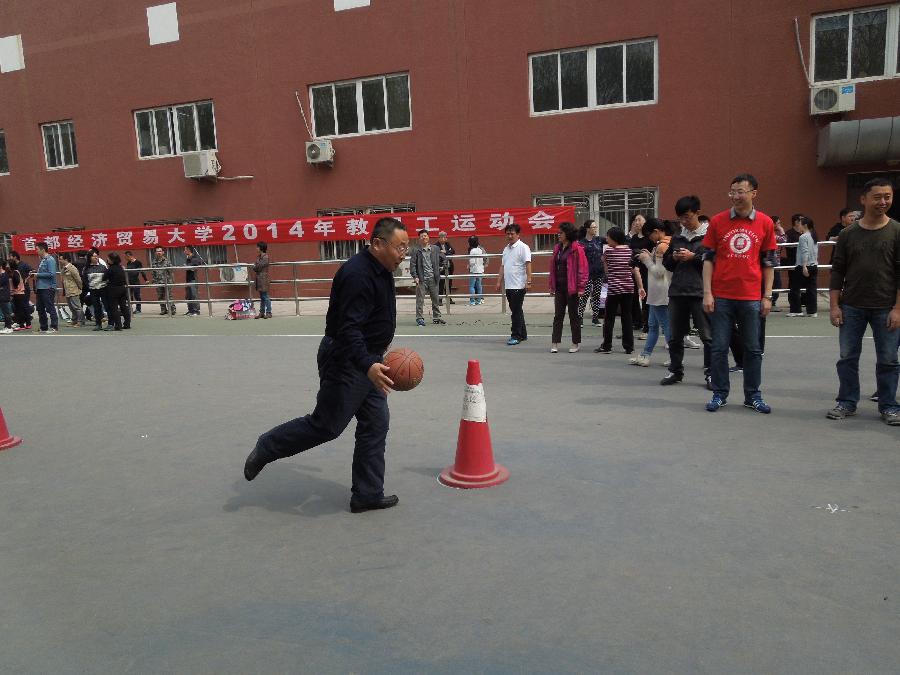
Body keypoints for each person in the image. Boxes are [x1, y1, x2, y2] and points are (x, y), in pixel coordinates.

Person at [244, 218, 410, 513]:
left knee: (375, 423)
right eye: (400, 247)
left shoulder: (382, 269)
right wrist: (367, 365)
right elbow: (349, 329)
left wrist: (375, 358)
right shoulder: (357, 274)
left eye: (406, 247)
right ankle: (268, 446)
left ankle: (367, 494)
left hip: (368, 359)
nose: (403, 254)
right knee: (327, 425)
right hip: (347, 359)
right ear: (377, 244)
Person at [826, 177, 899, 426]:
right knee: (847, 357)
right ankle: (847, 402)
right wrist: (834, 306)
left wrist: (898, 309)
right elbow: (838, 271)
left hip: (886, 307)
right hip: (852, 306)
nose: (883, 202)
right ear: (863, 199)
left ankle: (889, 406)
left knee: (888, 359)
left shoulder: (897, 231)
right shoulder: (848, 234)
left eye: (887, 197)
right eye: (877, 197)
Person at [702, 173, 777, 413]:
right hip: (721, 295)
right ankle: (719, 393)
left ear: (754, 193)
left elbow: (769, 262)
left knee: (753, 349)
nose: (735, 196)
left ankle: (752, 395)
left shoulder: (765, 223)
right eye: (732, 192)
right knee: (718, 348)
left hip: (751, 297)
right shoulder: (718, 221)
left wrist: (767, 296)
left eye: (740, 191)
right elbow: (708, 259)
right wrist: (707, 293)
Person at [661, 196, 711, 387]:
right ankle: (675, 371)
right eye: (680, 218)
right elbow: (667, 264)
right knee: (675, 336)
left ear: (697, 213)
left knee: (707, 336)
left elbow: (715, 261)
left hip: (700, 292)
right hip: (678, 291)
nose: (684, 221)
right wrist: (674, 258)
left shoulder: (709, 235)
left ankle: (711, 373)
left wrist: (693, 257)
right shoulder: (677, 236)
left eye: (687, 217)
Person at [595, 226, 644, 354]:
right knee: (627, 317)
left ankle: (607, 345)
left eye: (608, 237)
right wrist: (641, 287)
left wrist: (605, 263)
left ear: (614, 238)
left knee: (609, 318)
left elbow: (607, 271)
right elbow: (635, 271)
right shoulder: (629, 251)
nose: (606, 239)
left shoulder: (609, 251)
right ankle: (629, 346)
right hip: (628, 288)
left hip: (614, 289)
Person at [632, 218, 672, 366]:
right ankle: (645, 355)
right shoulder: (666, 243)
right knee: (654, 326)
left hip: (660, 291)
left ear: (656, 231)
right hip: (658, 291)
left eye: (649, 235)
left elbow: (659, 272)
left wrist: (646, 260)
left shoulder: (662, 246)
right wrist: (650, 256)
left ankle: (674, 357)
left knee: (665, 326)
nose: (649, 239)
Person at [549, 221, 588, 353]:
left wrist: (581, 287)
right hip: (559, 287)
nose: (558, 235)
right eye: (558, 233)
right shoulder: (557, 248)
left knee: (573, 316)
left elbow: (583, 269)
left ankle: (575, 343)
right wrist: (552, 285)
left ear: (568, 233)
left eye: (561, 233)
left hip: (572, 288)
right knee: (558, 316)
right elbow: (552, 268)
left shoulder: (577, 249)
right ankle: (555, 342)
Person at [496, 223, 532, 345]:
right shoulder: (506, 249)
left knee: (515, 312)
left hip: (518, 285)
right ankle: (523, 334)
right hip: (509, 285)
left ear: (518, 234)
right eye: (508, 234)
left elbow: (528, 264)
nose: (510, 236)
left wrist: (529, 281)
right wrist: (498, 281)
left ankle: (516, 335)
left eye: (512, 234)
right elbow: (503, 266)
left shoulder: (523, 247)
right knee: (517, 310)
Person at [410, 230, 446, 326]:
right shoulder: (416, 250)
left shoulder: (435, 249)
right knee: (420, 300)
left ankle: (436, 317)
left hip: (433, 278)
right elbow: (412, 265)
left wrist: (443, 267)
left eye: (425, 236)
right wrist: (415, 276)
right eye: (422, 236)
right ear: (419, 239)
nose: (424, 237)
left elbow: (444, 258)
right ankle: (419, 318)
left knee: (435, 299)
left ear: (428, 237)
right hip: (421, 279)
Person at [787, 216, 819, 318]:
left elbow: (805, 251)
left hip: (803, 265)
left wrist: (804, 266)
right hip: (814, 265)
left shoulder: (803, 237)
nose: (798, 226)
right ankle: (812, 311)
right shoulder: (813, 235)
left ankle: (796, 310)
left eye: (800, 224)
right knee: (811, 289)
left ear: (805, 225)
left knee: (794, 288)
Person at [577, 220, 605, 326]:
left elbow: (611, 240)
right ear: (587, 229)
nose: (595, 229)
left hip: (599, 272)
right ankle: (580, 318)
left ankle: (595, 318)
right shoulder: (581, 243)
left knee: (597, 295)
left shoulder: (599, 240)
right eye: (593, 227)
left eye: (595, 227)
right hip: (586, 274)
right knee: (584, 296)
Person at [32, 242, 59, 334]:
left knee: (50, 307)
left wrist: (37, 275)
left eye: (37, 249)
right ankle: (43, 327)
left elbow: (52, 274)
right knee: (40, 308)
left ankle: (54, 326)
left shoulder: (50, 259)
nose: (36, 251)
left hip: (48, 287)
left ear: (43, 250)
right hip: (40, 287)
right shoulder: (43, 260)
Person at [102, 253, 131, 331]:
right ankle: (127, 324)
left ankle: (118, 325)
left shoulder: (110, 269)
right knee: (123, 306)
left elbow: (104, 278)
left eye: (108, 258)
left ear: (112, 260)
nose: (107, 260)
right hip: (122, 288)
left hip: (113, 289)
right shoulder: (120, 267)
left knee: (114, 308)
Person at [8, 251, 33, 328]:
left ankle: (27, 322)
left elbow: (32, 271)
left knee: (24, 305)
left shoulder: (23, 265)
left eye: (10, 256)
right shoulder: (12, 268)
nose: (9, 258)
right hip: (17, 291)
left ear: (15, 257)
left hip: (23, 289)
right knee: (17, 307)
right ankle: (20, 321)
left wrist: (26, 279)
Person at [60, 253, 85, 327]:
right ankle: (74, 320)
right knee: (71, 307)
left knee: (77, 307)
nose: (59, 261)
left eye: (61, 259)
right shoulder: (64, 268)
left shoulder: (72, 268)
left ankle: (80, 321)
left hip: (73, 290)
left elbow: (78, 279)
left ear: (66, 259)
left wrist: (80, 288)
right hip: (67, 290)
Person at [85, 252, 108, 331]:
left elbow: (107, 277)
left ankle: (111, 323)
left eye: (96, 256)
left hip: (103, 289)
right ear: (90, 258)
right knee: (96, 307)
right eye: (94, 256)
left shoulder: (103, 267)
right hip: (93, 290)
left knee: (107, 305)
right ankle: (98, 324)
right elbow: (85, 279)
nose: (96, 257)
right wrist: (89, 286)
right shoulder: (87, 268)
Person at [151, 246, 176, 315]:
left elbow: (171, 271)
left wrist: (173, 280)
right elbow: (153, 273)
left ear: (163, 252)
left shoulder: (167, 261)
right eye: (157, 251)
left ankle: (172, 309)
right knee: (160, 297)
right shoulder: (154, 262)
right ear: (155, 253)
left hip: (167, 281)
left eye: (160, 251)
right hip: (158, 282)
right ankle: (163, 310)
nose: (158, 252)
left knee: (169, 296)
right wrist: (153, 281)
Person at [253, 242, 272, 319]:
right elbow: (256, 267)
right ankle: (262, 312)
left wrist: (255, 266)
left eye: (257, 247)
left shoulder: (265, 257)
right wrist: (255, 267)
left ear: (261, 248)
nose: (256, 248)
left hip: (263, 278)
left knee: (265, 296)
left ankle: (269, 312)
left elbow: (258, 267)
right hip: (259, 278)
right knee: (261, 296)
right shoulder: (259, 257)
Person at [437, 231, 456, 304]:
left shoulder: (448, 244)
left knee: (449, 283)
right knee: (441, 283)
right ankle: (440, 299)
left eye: (445, 237)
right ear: (439, 238)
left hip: (449, 265)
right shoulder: (436, 245)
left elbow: (453, 251)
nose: (444, 238)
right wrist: (446, 252)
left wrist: (445, 252)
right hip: (441, 266)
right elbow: (438, 253)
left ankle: (449, 298)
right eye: (442, 237)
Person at [183, 246, 202, 316]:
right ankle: (190, 310)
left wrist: (186, 266)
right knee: (188, 295)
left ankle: (196, 310)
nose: (184, 251)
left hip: (193, 279)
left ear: (188, 250)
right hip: (188, 279)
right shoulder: (188, 258)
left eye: (185, 250)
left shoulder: (194, 258)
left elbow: (194, 266)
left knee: (194, 295)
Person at [467, 235, 485, 305]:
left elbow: (472, 262)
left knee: (472, 286)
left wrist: (469, 265)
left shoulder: (472, 251)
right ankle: (479, 300)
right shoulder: (480, 250)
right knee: (479, 286)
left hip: (474, 270)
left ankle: (472, 301)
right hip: (480, 270)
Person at [0, 261, 13, 333]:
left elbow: (1, 284)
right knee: (5, 312)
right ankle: (6, 326)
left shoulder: (4, 274)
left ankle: (9, 327)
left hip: (4, 296)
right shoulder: (2, 274)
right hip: (2, 295)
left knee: (6, 312)